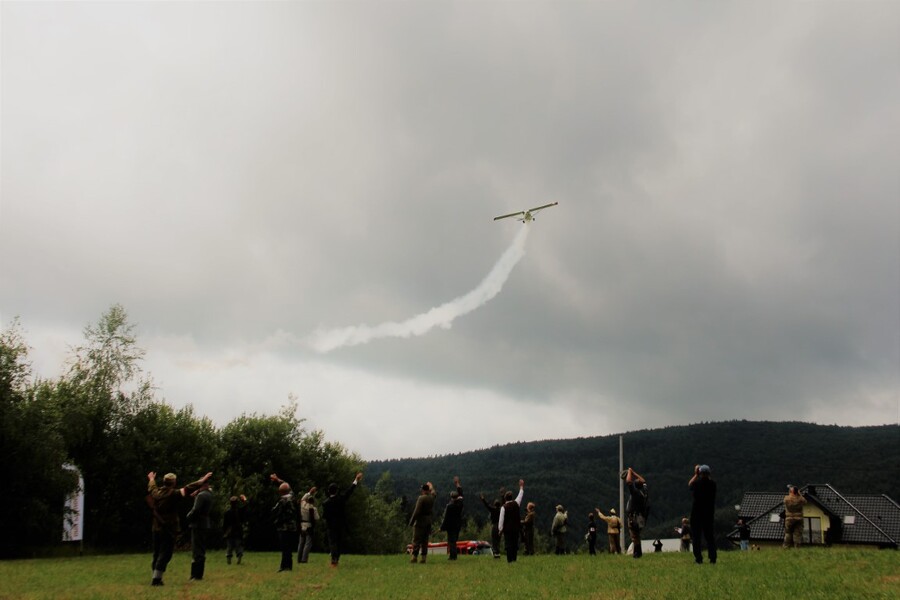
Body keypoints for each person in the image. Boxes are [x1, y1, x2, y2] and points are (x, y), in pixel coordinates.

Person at [147, 470, 213, 586]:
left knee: (156, 552)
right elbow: (188, 488)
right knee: (165, 553)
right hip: (168, 527)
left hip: (156, 527)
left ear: (164, 482)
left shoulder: (156, 492)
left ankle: (155, 576)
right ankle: (156, 579)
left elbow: (152, 488)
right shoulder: (174, 494)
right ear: (174, 482)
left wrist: (152, 479)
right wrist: (201, 481)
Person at [323, 472, 363, 567]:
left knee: (333, 543)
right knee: (339, 542)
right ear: (337, 491)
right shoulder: (341, 499)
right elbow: (349, 491)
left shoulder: (325, 503)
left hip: (330, 526)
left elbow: (325, 516)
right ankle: (336, 559)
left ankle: (334, 559)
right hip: (340, 524)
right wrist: (356, 480)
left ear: (329, 491)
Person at [269, 473, 298, 572]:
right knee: (289, 548)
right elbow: (287, 485)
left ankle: (284, 566)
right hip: (292, 526)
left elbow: (274, 511)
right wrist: (278, 480)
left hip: (284, 527)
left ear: (281, 492)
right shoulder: (292, 497)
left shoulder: (282, 500)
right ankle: (289, 566)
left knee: (284, 547)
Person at [689, 464, 717, 564]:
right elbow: (709, 480)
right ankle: (712, 558)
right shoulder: (713, 484)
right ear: (709, 473)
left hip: (696, 514)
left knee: (696, 538)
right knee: (710, 537)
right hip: (708, 514)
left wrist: (696, 474)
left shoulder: (697, 484)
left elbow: (690, 484)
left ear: (700, 473)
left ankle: (699, 558)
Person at [186, 480, 213, 580]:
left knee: (197, 550)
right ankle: (197, 574)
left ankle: (196, 574)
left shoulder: (201, 495)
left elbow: (196, 510)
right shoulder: (209, 494)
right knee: (200, 548)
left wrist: (188, 516)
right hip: (205, 523)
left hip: (198, 524)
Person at [409, 481, 437, 563]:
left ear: (423, 490)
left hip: (420, 521)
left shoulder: (421, 498)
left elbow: (416, 511)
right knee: (425, 540)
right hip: (428, 521)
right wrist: (431, 487)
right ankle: (423, 558)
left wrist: (411, 522)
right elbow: (434, 493)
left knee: (416, 540)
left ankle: (414, 557)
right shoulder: (431, 498)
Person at [498, 479, 525, 563]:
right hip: (516, 528)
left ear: (505, 498)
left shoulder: (503, 507)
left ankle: (509, 560)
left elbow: (501, 519)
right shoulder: (516, 503)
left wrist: (500, 529)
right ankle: (514, 559)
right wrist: (521, 486)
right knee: (515, 544)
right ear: (512, 497)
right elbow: (520, 494)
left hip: (507, 529)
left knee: (508, 544)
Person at [625, 467, 648, 558]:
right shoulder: (644, 492)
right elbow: (643, 481)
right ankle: (639, 553)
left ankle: (636, 554)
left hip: (633, 517)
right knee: (637, 535)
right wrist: (634, 473)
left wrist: (629, 472)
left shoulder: (635, 493)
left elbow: (628, 481)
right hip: (640, 517)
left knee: (634, 536)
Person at [439, 476, 464, 560]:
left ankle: (453, 556)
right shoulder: (460, 503)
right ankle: (453, 555)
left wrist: (441, 527)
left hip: (451, 526)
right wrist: (457, 484)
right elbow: (461, 493)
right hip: (458, 525)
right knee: (454, 540)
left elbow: (446, 518)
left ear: (451, 497)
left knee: (451, 541)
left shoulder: (449, 506)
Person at [222, 494, 248, 565]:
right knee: (238, 545)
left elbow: (224, 524)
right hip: (238, 531)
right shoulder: (239, 511)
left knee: (229, 546)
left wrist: (224, 533)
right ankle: (239, 558)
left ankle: (229, 559)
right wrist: (244, 499)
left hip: (229, 531)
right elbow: (246, 507)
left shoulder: (227, 513)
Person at [480, 492, 503, 559]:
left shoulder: (493, 510)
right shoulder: (501, 510)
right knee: (498, 540)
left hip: (494, 525)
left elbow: (487, 505)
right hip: (500, 526)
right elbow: (504, 503)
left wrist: (483, 499)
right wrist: (502, 496)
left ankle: (495, 553)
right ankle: (498, 552)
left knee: (494, 540)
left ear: (494, 504)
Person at [298, 486, 318, 564]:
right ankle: (304, 559)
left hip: (302, 524)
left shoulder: (302, 505)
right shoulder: (313, 509)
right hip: (309, 526)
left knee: (301, 543)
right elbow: (317, 518)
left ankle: (299, 558)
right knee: (308, 543)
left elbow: (302, 499)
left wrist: (309, 492)